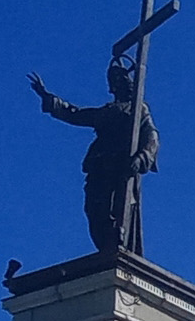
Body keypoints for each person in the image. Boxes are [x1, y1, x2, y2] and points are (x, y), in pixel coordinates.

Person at [29, 57, 159, 256]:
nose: (113, 86)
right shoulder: (108, 110)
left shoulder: (139, 109)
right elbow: (77, 114)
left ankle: (118, 243)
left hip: (121, 167)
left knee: (118, 208)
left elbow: (152, 136)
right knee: (94, 207)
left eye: (117, 81)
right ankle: (107, 248)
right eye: (111, 82)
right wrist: (48, 97)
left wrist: (142, 157)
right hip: (100, 165)